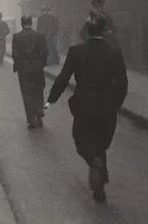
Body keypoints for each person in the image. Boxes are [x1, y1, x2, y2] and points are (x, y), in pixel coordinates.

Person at [46, 16, 128, 203]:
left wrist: (51, 100)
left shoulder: (76, 51)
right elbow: (122, 82)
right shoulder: (114, 51)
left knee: (82, 142)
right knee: (101, 144)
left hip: (84, 106)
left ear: (86, 32)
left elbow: (63, 78)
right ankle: (99, 189)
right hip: (107, 107)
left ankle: (93, 162)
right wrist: (116, 103)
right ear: (103, 30)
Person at [12, 15, 49, 129]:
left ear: (22, 23)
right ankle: (39, 114)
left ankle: (31, 120)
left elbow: (15, 54)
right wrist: (40, 64)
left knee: (27, 94)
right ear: (31, 23)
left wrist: (19, 65)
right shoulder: (39, 35)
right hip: (37, 68)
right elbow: (45, 52)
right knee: (38, 90)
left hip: (24, 69)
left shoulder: (17, 36)